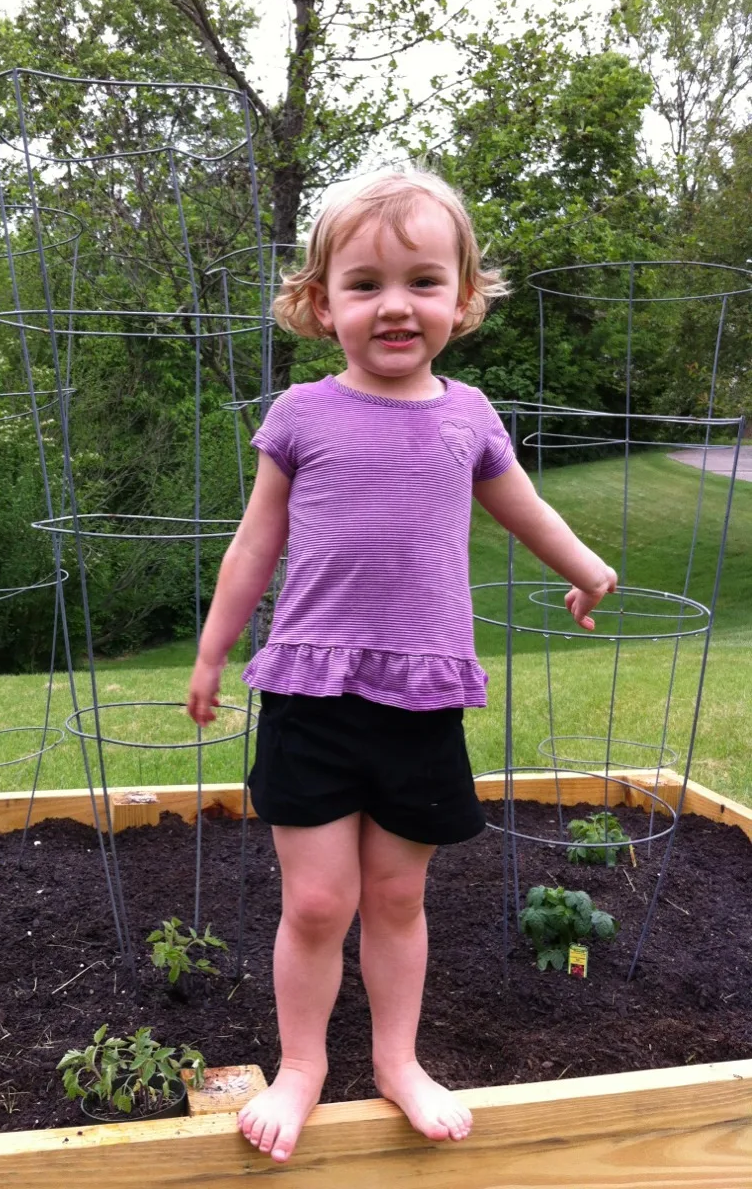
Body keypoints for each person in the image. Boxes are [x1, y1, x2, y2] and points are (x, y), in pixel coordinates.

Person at [186, 169, 617, 1164]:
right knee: (315, 902)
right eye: (364, 283)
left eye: (422, 281)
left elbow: (524, 508)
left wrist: (586, 568)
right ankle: (302, 1065)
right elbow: (254, 544)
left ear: (461, 300)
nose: (394, 305)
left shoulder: (468, 417)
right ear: (319, 302)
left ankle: (395, 1060)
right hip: (309, 691)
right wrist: (212, 651)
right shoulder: (301, 414)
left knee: (394, 897)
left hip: (420, 697)